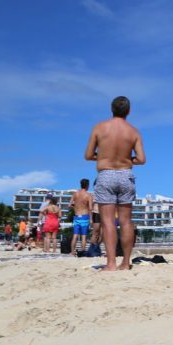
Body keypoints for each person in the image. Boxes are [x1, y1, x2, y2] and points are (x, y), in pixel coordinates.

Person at [84, 95, 145, 271]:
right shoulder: (133, 132)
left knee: (108, 221)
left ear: (112, 109)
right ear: (129, 111)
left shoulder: (99, 128)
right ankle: (125, 263)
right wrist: (126, 158)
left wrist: (103, 156)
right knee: (126, 221)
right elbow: (141, 159)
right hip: (126, 175)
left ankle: (111, 263)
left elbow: (88, 155)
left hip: (106, 174)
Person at [70, 178, 94, 256]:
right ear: (87, 185)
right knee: (84, 236)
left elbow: (69, 205)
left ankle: (72, 252)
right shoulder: (88, 195)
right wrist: (91, 219)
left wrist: (75, 209)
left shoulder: (75, 194)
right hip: (85, 217)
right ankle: (83, 251)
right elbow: (90, 208)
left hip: (77, 216)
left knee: (75, 235)